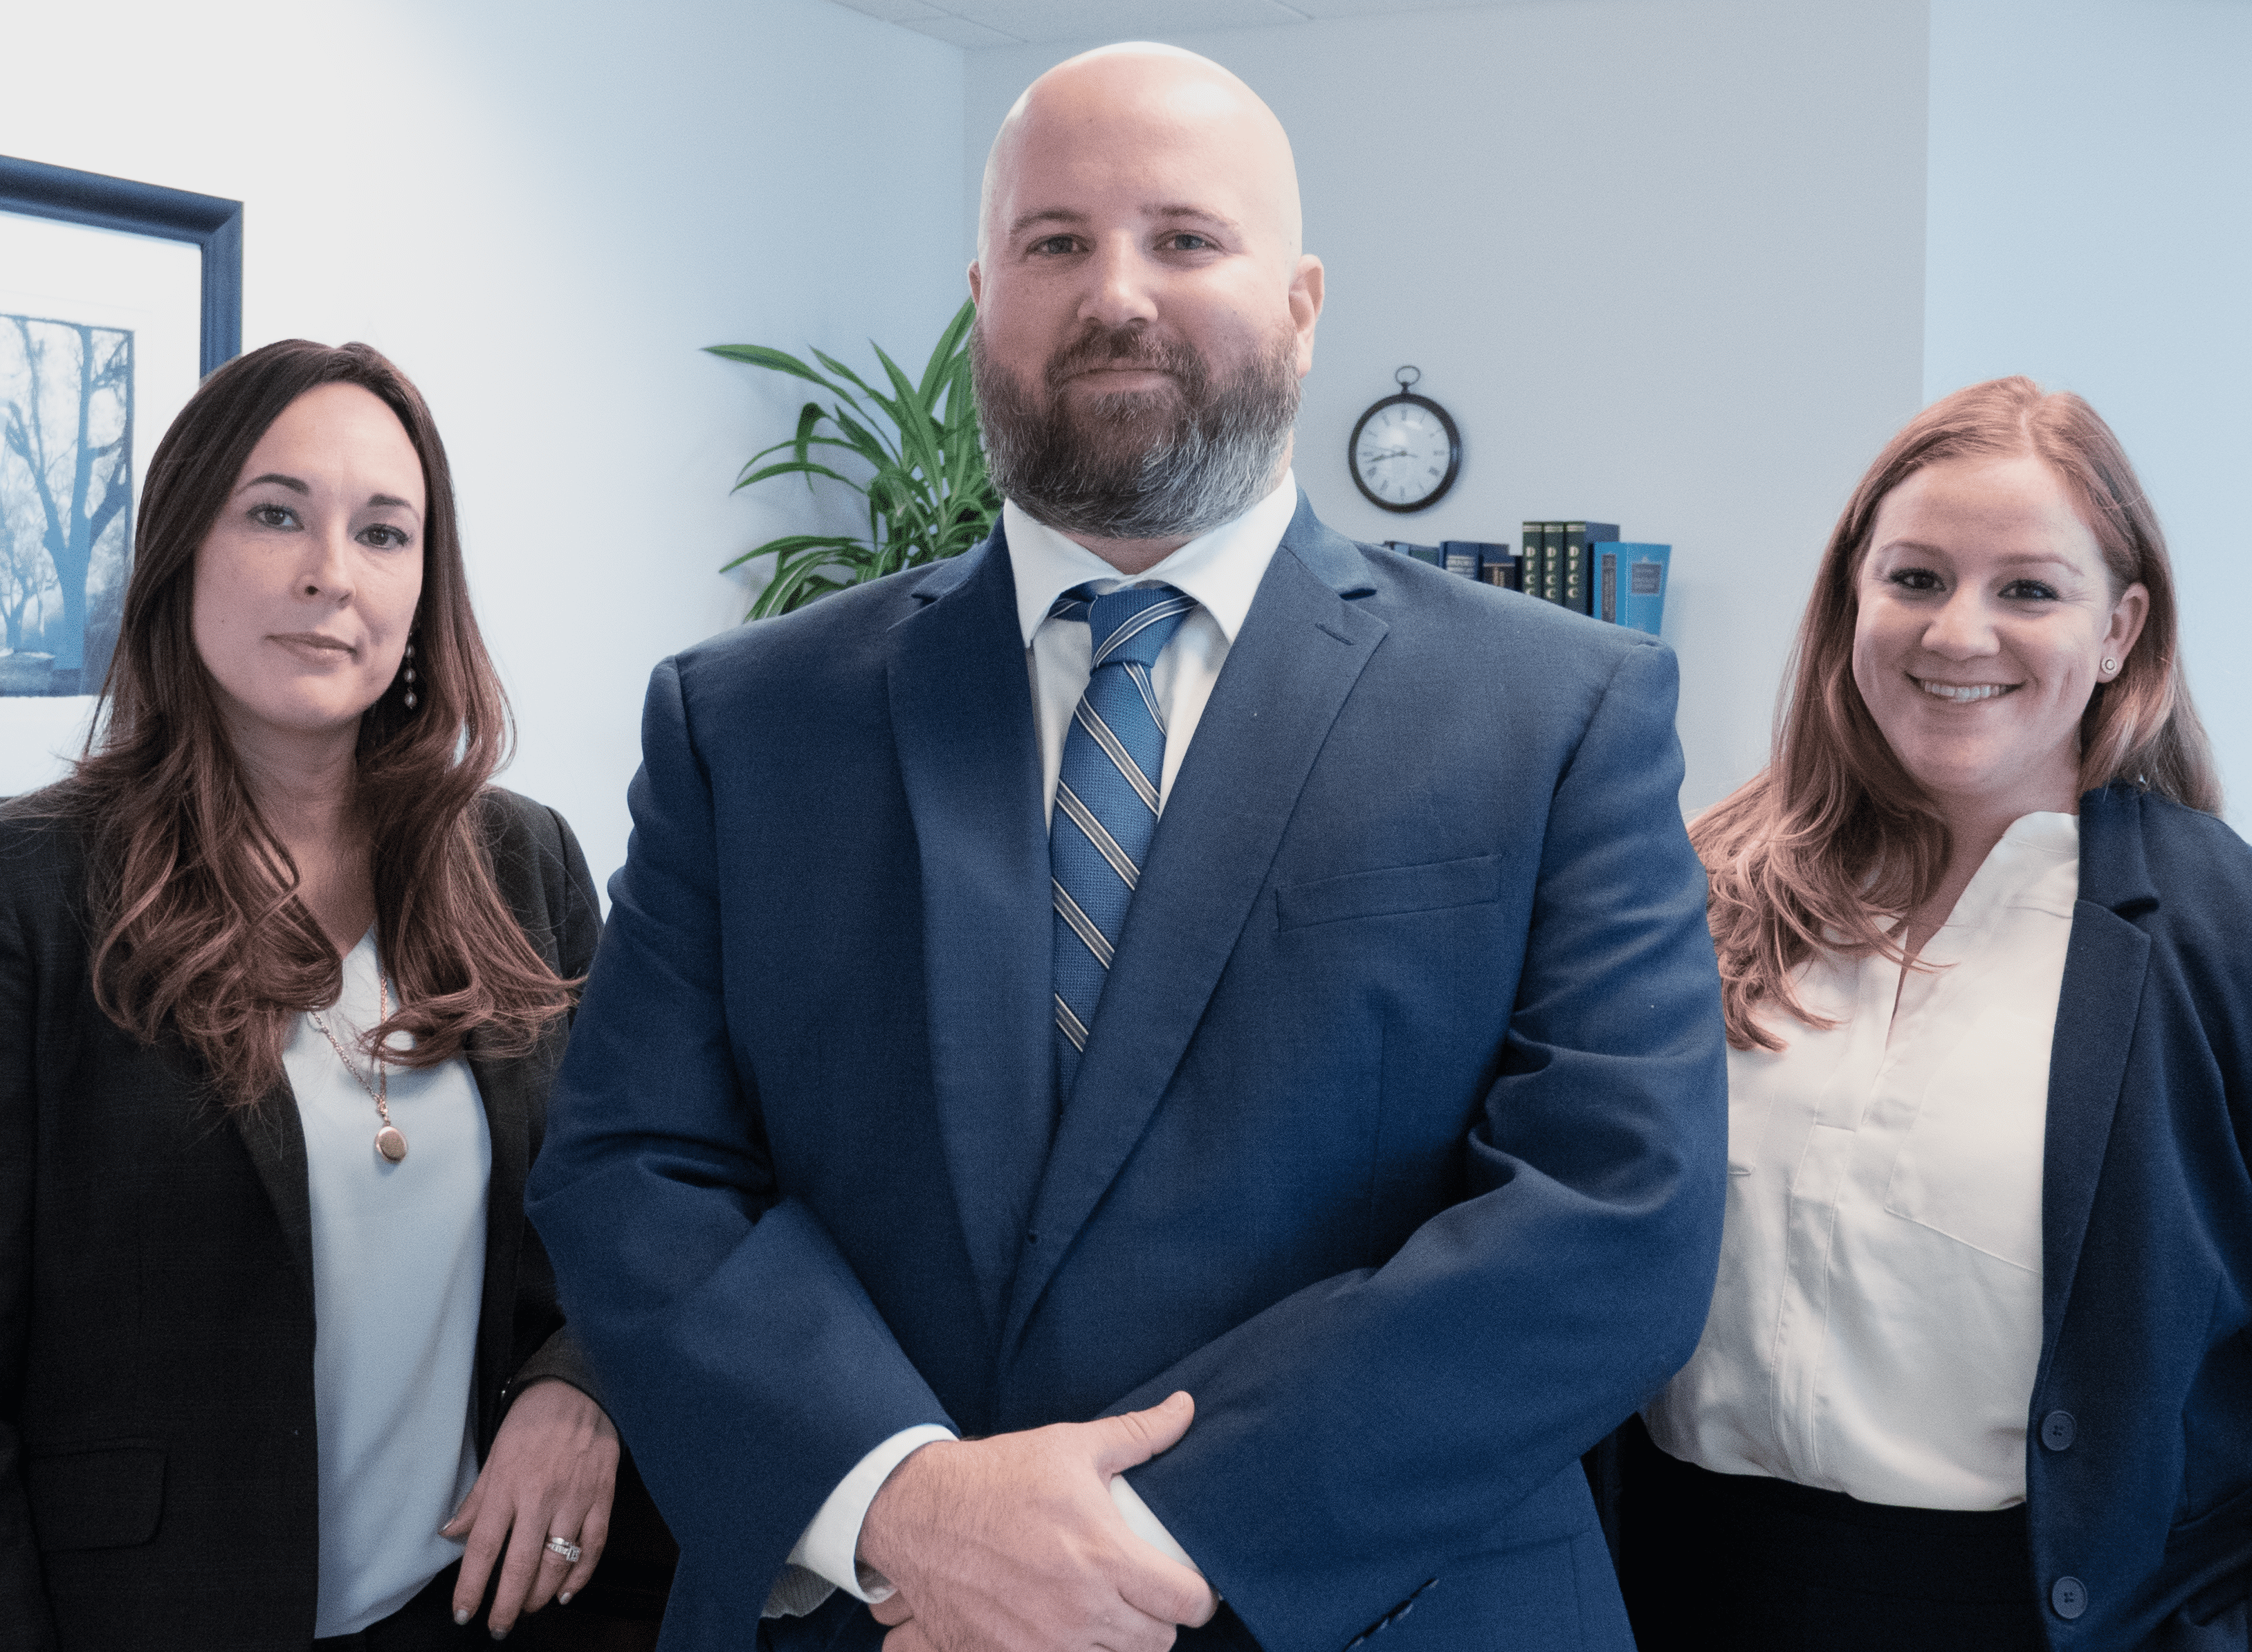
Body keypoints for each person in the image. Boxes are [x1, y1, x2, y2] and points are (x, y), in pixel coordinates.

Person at [528, 43, 1728, 1652]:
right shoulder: (743, 720)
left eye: (1183, 238)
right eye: (1055, 242)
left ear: (1301, 303)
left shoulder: (1560, 710)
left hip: (1373, 1606)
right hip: (874, 1605)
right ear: (983, 300)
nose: (1115, 292)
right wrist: (902, 1502)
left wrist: (1126, 1540)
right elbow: (636, 1168)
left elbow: (1616, 1217)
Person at [1619, 376, 2252, 1649]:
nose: (1958, 634)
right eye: (1917, 579)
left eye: (2030, 590)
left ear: (2122, 628)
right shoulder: (1688, 891)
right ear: (1852, 600)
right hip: (1680, 1591)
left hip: (2049, 1614)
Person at [0, 339, 671, 1651]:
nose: (330, 573)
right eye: (275, 515)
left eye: (382, 532)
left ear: (423, 589)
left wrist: (579, 1383)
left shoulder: (519, 860)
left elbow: (630, 1193)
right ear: (182, 550)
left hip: (468, 1609)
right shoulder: (35, 890)